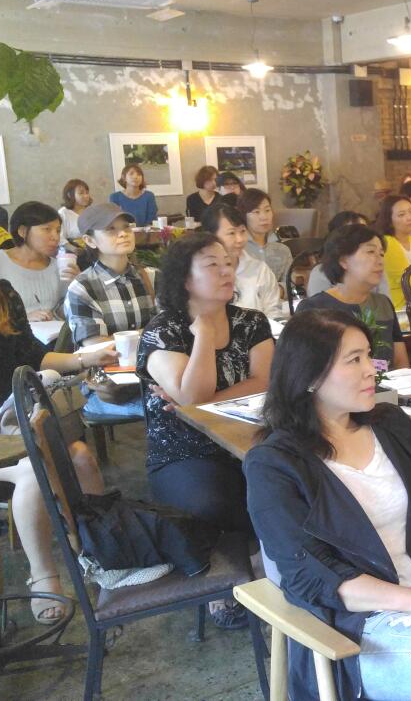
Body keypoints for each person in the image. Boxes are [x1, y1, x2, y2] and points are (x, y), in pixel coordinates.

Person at [249, 308, 411, 700]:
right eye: (354, 360)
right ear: (310, 376)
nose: (372, 370)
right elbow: (312, 575)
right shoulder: (274, 465)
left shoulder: (390, 424)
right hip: (362, 625)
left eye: (369, 355)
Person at [0, 224, 114, 626]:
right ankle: (44, 577)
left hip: (17, 423)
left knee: (81, 455)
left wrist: (85, 360)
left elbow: (34, 356)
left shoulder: (1, 295)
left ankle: (105, 552)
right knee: (32, 471)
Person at [135, 232, 272, 626]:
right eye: (213, 265)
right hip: (183, 453)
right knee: (215, 500)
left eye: (228, 263)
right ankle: (232, 579)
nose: (227, 271)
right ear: (185, 279)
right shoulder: (163, 331)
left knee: (283, 483)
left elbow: (264, 381)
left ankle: (269, 569)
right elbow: (195, 395)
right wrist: (205, 336)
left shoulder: (251, 322)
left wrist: (200, 403)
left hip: (248, 442)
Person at [64, 203, 156, 420]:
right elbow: (99, 348)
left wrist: (128, 338)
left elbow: (174, 330)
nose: (123, 234)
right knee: (167, 409)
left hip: (154, 377)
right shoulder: (82, 287)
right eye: (110, 230)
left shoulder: (151, 277)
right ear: (90, 240)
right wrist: (150, 334)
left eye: (126, 227)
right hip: (106, 388)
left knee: (185, 402)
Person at [297, 224, 409, 369]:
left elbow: (400, 363)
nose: (380, 261)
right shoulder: (314, 309)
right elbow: (305, 370)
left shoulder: (383, 303)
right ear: (343, 261)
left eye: (381, 254)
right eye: (371, 252)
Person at [200, 203, 287, 320]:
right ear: (211, 236)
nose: (240, 239)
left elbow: (273, 313)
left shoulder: (259, 269)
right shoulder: (200, 275)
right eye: (231, 233)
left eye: (242, 231)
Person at [0, 202, 72, 321]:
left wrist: (77, 284)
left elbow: (66, 311)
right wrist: (22, 319)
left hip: (52, 331)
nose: (55, 237)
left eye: (58, 231)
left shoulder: (59, 266)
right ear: (22, 231)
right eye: (47, 229)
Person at [376, 193, 411, 313]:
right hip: (396, 309)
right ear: (389, 220)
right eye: (401, 214)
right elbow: (407, 281)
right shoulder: (384, 244)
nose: (410, 217)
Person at [307, 211, 374, 297]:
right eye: (353, 233)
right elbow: (319, 305)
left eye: (365, 233)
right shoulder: (321, 273)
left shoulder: (375, 268)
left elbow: (385, 302)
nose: (361, 239)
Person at [235, 188, 293, 282]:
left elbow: (290, 284)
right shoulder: (238, 248)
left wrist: (281, 289)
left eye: (267, 210)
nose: (264, 217)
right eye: (256, 212)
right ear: (243, 215)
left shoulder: (282, 250)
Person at [58, 178, 92, 242]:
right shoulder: (63, 213)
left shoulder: (91, 210)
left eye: (87, 193)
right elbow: (60, 238)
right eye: (81, 193)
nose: (86, 196)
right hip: (72, 247)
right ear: (69, 195)